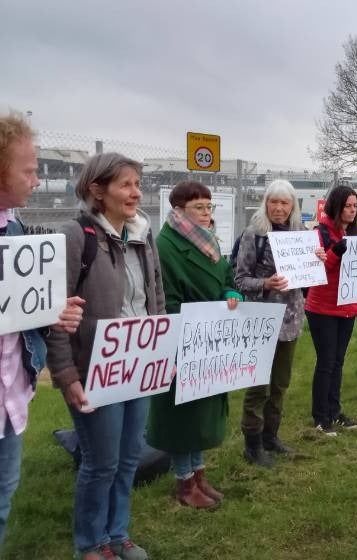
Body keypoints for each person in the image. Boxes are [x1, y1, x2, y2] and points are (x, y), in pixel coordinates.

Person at [46, 152, 164, 560]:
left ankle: (118, 535)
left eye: (137, 184)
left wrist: (159, 348)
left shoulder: (144, 234)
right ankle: (91, 545)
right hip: (94, 369)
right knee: (101, 463)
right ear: (98, 190)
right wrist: (66, 374)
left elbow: (155, 297)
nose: (136, 193)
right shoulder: (75, 236)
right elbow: (54, 314)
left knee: (129, 457)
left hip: (138, 364)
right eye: (126, 185)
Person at [0, 113, 84, 553]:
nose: (37, 180)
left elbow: (16, 311)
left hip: (10, 401)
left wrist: (52, 313)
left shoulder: (14, 228)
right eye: (29, 170)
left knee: (2, 502)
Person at [146, 181, 242, 509]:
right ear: (179, 211)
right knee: (182, 415)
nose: (205, 213)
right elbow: (166, 298)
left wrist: (230, 293)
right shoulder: (166, 245)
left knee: (201, 412)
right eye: (198, 208)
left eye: (208, 207)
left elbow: (225, 276)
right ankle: (184, 482)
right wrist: (193, 324)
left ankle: (199, 475)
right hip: (183, 339)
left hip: (210, 337)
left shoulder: (208, 241)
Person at [235, 179, 306, 467]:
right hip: (262, 320)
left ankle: (270, 436)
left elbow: (309, 277)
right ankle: (252, 444)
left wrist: (316, 261)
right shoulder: (254, 234)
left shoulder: (301, 234)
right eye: (273, 202)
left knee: (280, 383)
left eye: (284, 202)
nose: (278, 208)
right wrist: (265, 282)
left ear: (292, 206)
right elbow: (239, 280)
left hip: (290, 319)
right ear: (266, 203)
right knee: (258, 385)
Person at [304, 185, 357, 436]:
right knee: (326, 362)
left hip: (347, 307)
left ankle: (334, 411)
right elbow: (320, 270)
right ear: (336, 206)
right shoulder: (321, 233)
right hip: (323, 307)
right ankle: (320, 416)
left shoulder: (355, 233)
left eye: (355, 206)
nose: (352, 210)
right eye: (348, 206)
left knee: (338, 362)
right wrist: (336, 253)